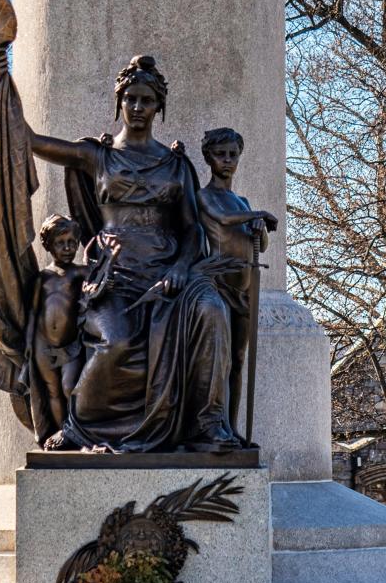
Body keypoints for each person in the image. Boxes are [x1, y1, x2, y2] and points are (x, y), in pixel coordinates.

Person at [24, 55, 240, 452]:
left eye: (147, 100)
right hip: (115, 277)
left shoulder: (176, 166)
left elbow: (191, 230)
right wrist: (3, 82)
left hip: (170, 273)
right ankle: (81, 425)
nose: (138, 108)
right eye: (131, 99)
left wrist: (179, 267)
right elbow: (34, 142)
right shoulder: (97, 155)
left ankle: (208, 422)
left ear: (159, 108)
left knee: (212, 310)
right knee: (117, 341)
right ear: (119, 102)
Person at [197, 128, 277, 435]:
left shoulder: (241, 201)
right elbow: (223, 219)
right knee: (223, 360)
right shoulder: (206, 196)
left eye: (233, 154)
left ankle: (233, 428)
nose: (227, 160)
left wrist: (259, 227)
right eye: (221, 154)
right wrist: (258, 214)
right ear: (209, 158)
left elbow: (263, 245)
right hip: (220, 285)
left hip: (247, 287)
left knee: (239, 359)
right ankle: (218, 424)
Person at [25, 215, 85, 444]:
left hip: (71, 344)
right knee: (52, 391)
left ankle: (75, 430)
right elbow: (33, 311)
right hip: (43, 344)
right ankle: (62, 432)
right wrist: (30, 343)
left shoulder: (80, 273)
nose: (68, 248)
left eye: (72, 242)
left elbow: (99, 282)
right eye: (61, 243)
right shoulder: (43, 278)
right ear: (48, 245)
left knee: (70, 387)